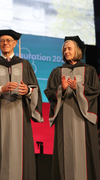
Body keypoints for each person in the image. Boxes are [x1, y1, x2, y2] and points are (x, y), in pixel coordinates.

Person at [0, 29, 43, 180]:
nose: (5, 43)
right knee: (1, 152)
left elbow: (35, 89)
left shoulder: (25, 64)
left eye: (9, 40)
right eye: (2, 41)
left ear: (15, 43)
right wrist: (0, 89)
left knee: (20, 151)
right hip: (0, 115)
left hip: (20, 114)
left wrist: (27, 90)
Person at [44, 35, 100, 180]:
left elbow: (95, 91)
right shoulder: (57, 72)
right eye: (64, 49)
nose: (66, 51)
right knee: (65, 154)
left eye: (69, 49)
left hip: (84, 120)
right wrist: (61, 89)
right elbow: (49, 92)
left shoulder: (90, 71)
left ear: (78, 50)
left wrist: (78, 87)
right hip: (65, 119)